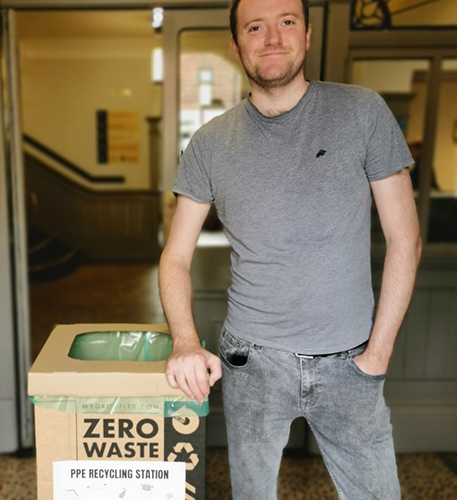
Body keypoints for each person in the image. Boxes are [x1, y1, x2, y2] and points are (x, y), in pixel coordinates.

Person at [158, 0, 422, 498]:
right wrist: (186, 342)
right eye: (255, 26)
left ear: (307, 33)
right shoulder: (210, 144)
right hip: (251, 362)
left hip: (352, 361)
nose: (272, 37)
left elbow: (405, 238)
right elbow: (174, 256)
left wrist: (378, 354)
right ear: (236, 44)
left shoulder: (363, 112)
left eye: (286, 22)